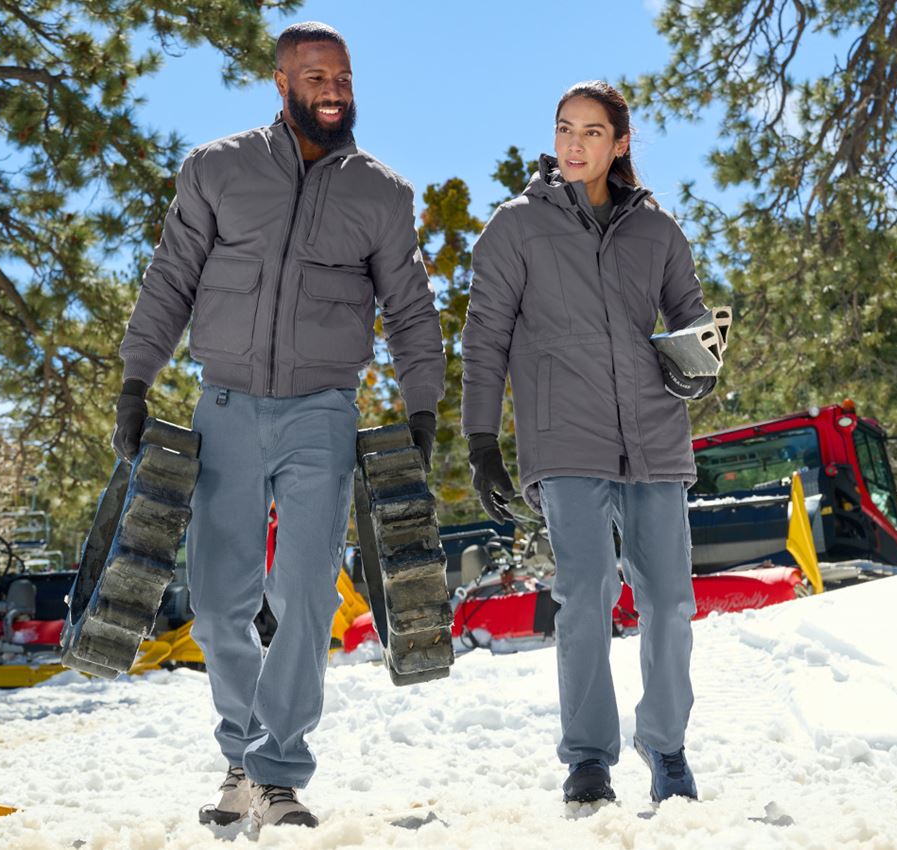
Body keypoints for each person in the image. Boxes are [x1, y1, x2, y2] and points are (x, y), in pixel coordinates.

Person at [113, 22, 444, 829]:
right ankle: (240, 758)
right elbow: (169, 280)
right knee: (221, 601)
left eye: (344, 75)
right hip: (222, 404)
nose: (334, 88)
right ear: (281, 82)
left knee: (303, 592)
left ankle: (280, 773)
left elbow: (409, 308)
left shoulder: (382, 193)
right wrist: (135, 378)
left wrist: (422, 404)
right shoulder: (217, 169)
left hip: (321, 410)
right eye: (316, 75)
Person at [461, 80, 717, 806]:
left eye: (593, 132)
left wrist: (699, 368)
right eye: (565, 129)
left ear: (621, 143)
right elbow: (485, 340)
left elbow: (690, 319)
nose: (575, 144)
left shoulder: (657, 230)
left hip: (655, 436)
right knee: (586, 594)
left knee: (669, 602)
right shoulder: (516, 227)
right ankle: (589, 759)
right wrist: (483, 439)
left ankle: (665, 746)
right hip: (564, 435)